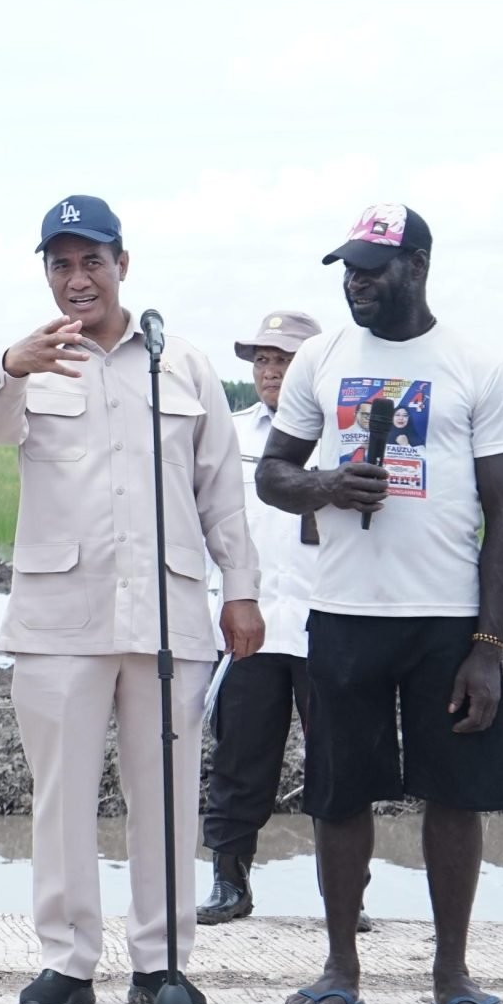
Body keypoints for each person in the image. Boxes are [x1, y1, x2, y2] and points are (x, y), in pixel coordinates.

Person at [0, 196, 264, 1004]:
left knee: (166, 793)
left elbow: (219, 489)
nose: (76, 278)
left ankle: (163, 961)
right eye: (60, 264)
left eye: (91, 260)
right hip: (60, 616)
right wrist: (13, 364)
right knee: (61, 795)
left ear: (122, 263)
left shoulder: (181, 363)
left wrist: (241, 588)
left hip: (167, 615)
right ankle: (67, 961)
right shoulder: (31, 362)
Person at [254, 204, 503, 1004]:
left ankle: (452, 972)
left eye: (372, 266)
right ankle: (341, 964)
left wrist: (488, 645)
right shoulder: (319, 358)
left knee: (456, 794)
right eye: (348, 267)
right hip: (344, 613)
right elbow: (273, 473)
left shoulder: (475, 367)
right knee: (339, 793)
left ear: (418, 263)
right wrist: (329, 486)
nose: (356, 281)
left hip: (447, 621)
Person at [197, 310, 323, 925]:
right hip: (249, 619)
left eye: (285, 360)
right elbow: (205, 521)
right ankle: (230, 882)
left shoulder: (344, 435)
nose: (271, 372)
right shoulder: (233, 434)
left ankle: (346, 895)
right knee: (239, 756)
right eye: (263, 361)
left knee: (338, 759)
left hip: (328, 620)